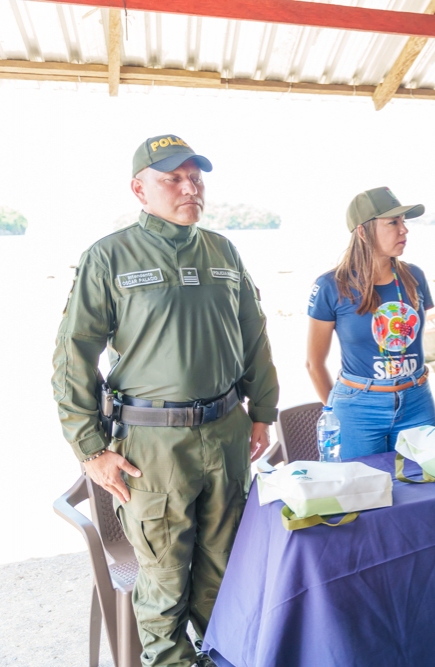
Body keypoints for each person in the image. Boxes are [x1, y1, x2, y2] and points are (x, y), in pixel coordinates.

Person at [52, 135, 279, 667]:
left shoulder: (223, 249)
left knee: (227, 570)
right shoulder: (109, 256)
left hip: (226, 433)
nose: (189, 187)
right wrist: (91, 448)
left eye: (195, 177)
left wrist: (263, 411)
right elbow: (72, 357)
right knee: (164, 581)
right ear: (140, 189)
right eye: (172, 178)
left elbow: (254, 335)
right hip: (152, 447)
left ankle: (226, 658)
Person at [306, 187, 435, 458]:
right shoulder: (331, 286)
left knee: (424, 491)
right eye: (393, 223)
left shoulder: (414, 277)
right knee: (361, 493)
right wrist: (336, 410)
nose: (404, 230)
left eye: (403, 222)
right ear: (363, 232)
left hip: (417, 401)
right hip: (358, 408)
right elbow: (313, 363)